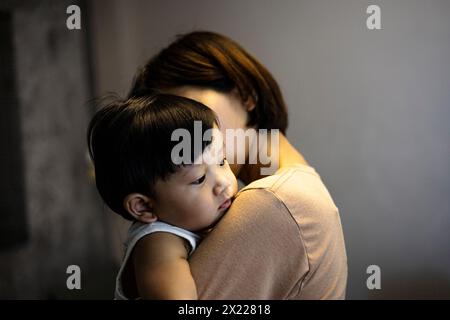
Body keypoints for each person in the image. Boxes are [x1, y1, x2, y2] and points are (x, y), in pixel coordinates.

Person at [127, 31, 348, 299]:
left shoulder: (276, 202)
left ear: (245, 95)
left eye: (191, 113)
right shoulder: (290, 192)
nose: (180, 143)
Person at [87, 93, 238, 299]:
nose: (222, 183)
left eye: (221, 161)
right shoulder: (158, 242)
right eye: (199, 179)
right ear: (143, 207)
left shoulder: (186, 219)